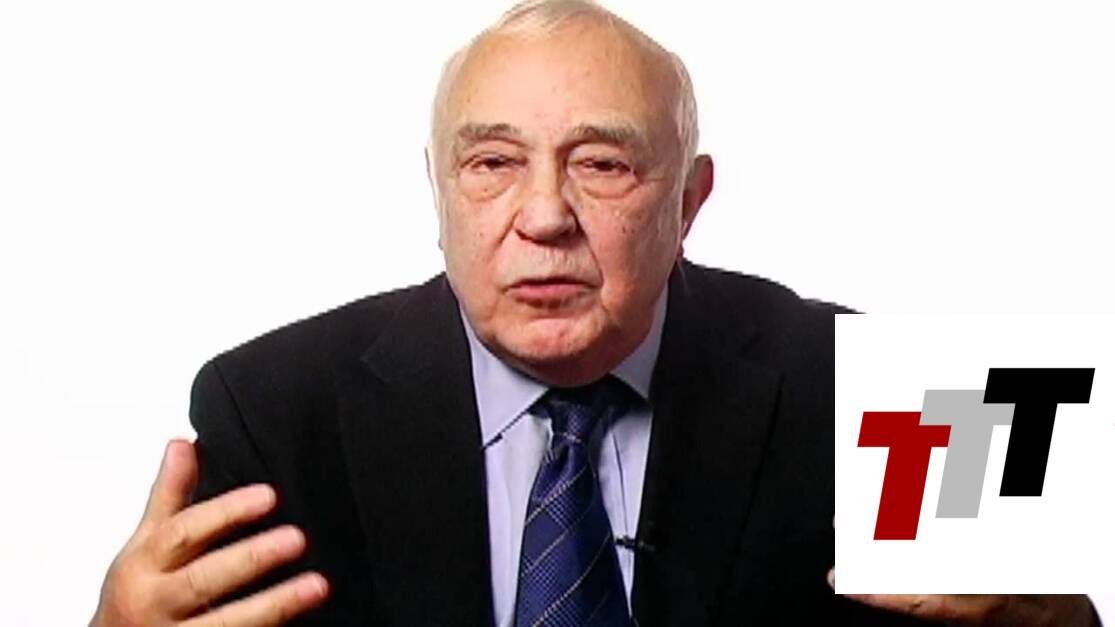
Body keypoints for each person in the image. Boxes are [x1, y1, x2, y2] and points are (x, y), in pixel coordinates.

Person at [89, 1, 1103, 625]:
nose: (543, 216)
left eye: (603, 164)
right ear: (437, 188)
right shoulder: (270, 406)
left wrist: (1062, 620)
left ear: (689, 200)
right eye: (492, 164)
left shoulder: (894, 388)